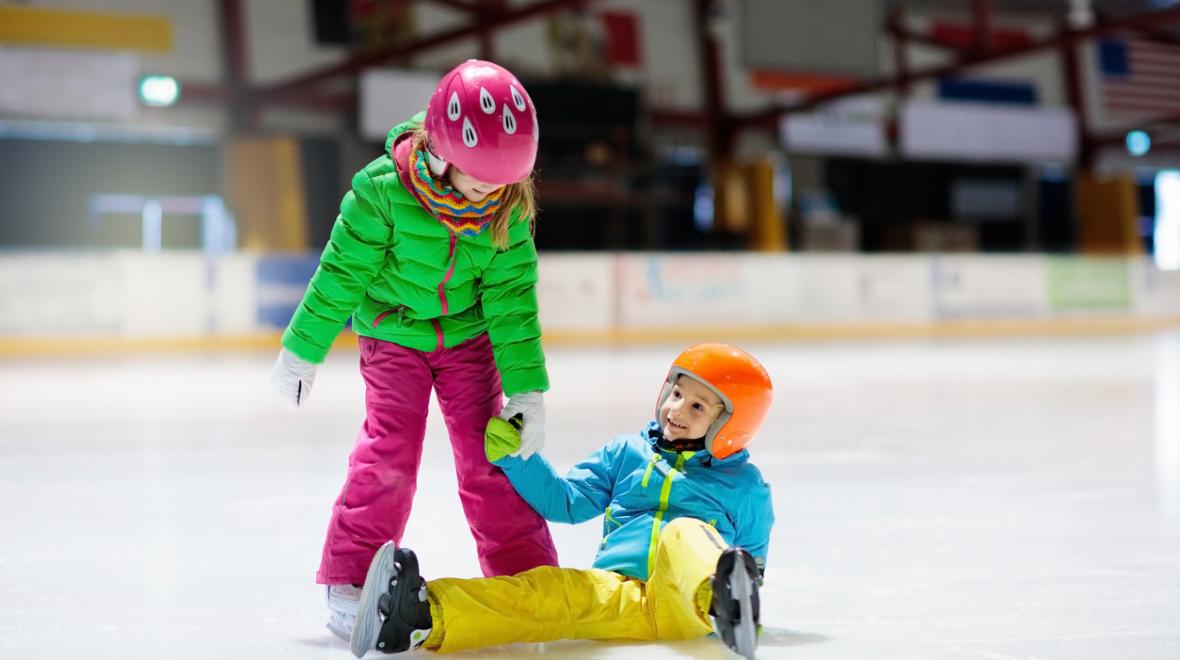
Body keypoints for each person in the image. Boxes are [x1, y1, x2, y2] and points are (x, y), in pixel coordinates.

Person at [269, 59, 559, 638]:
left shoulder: (505, 209)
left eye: (504, 181)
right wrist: (303, 349)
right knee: (390, 453)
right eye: (480, 178)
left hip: (467, 339)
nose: (491, 192)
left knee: (491, 457)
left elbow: (512, 304)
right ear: (443, 151)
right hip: (393, 335)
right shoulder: (381, 192)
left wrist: (526, 388)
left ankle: (524, 574)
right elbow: (340, 275)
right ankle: (351, 577)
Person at [349, 343, 775, 659]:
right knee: (547, 590)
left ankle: (722, 599)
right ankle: (420, 614)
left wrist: (734, 588)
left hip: (689, 602)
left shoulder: (745, 486)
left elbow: (751, 562)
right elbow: (565, 501)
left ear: (730, 424)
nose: (677, 409)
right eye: (677, 393)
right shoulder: (627, 454)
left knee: (686, 534)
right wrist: (518, 458)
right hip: (618, 591)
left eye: (698, 405)